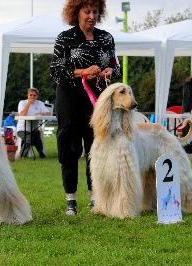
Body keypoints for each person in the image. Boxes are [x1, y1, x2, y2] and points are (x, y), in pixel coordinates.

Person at [50, 0, 121, 215]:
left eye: (95, 12)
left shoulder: (106, 38)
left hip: (98, 103)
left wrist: (110, 72)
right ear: (76, 12)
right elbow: (55, 71)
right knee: (70, 149)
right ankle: (70, 198)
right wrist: (82, 72)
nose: (91, 16)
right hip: (70, 101)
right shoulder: (65, 38)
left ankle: (95, 197)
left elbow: (117, 69)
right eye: (87, 11)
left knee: (96, 149)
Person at [17, 88, 50, 158]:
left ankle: (42, 154)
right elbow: (22, 114)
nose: (32, 97)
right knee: (29, 139)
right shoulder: (22, 103)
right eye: (30, 95)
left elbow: (49, 113)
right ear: (27, 95)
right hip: (22, 129)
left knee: (38, 141)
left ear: (37, 96)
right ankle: (21, 155)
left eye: (34, 95)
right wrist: (28, 104)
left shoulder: (39, 103)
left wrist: (41, 113)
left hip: (34, 129)